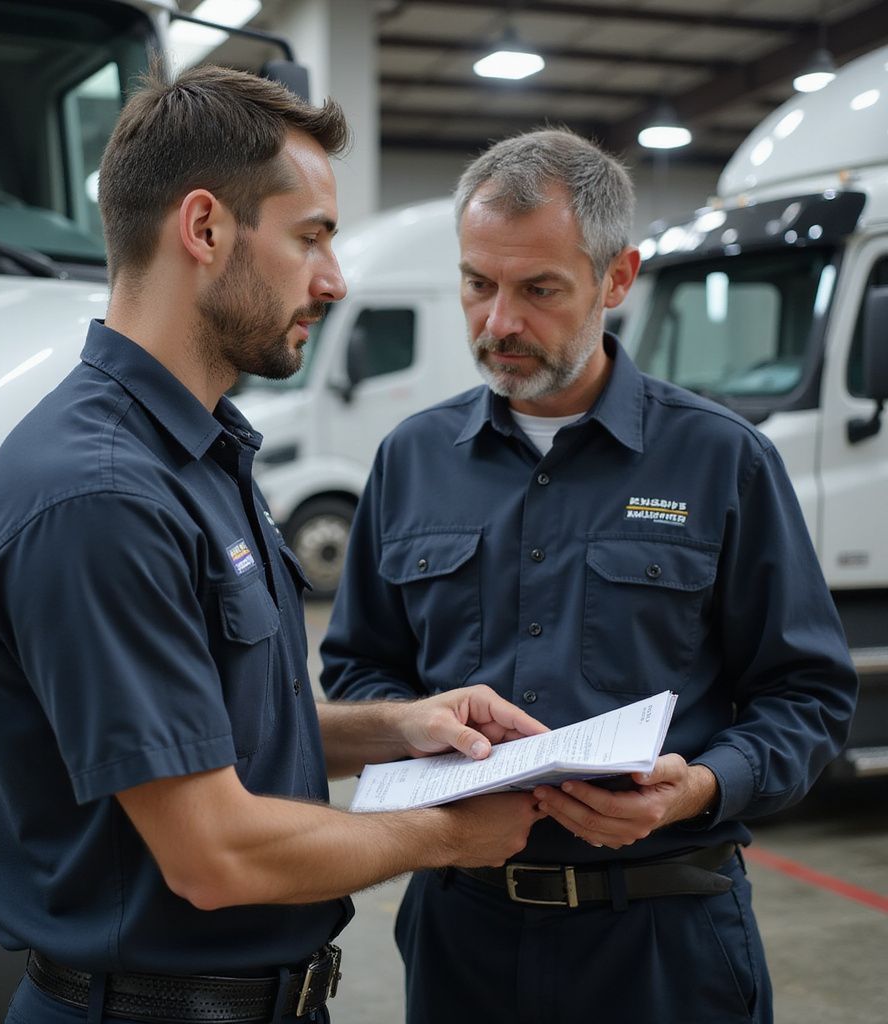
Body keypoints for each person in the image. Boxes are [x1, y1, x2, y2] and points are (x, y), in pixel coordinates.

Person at [0, 63, 550, 1024]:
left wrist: (401, 726)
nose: (334, 279)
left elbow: (202, 736)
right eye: (311, 236)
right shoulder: (100, 495)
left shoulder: (193, 454)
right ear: (204, 228)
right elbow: (213, 853)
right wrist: (444, 834)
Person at [320, 127, 858, 1024]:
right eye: (476, 284)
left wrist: (702, 785)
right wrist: (420, 731)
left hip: (664, 941)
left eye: (539, 290)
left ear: (616, 279)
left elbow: (808, 694)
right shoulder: (411, 461)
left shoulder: (722, 462)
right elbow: (359, 669)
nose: (499, 324)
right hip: (465, 938)